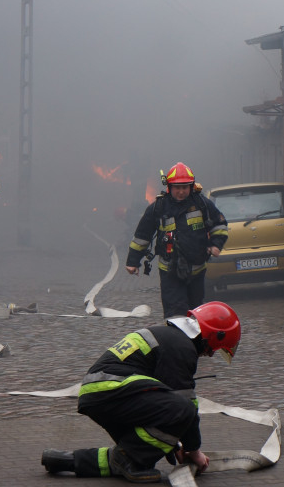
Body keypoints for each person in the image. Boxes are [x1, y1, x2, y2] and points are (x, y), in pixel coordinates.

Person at [42, 301, 241, 483]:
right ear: (214, 335)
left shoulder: (170, 337)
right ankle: (129, 459)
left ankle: (64, 460)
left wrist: (175, 445)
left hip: (101, 392)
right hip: (112, 390)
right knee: (183, 409)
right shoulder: (181, 346)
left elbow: (162, 403)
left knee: (132, 452)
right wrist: (194, 450)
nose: (211, 353)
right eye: (215, 348)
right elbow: (184, 404)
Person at [125, 162, 229, 319]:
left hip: (197, 272)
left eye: (185, 187)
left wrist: (216, 244)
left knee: (196, 314)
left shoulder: (202, 204)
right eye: (177, 188)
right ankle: (177, 341)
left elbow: (219, 225)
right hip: (170, 273)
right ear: (169, 187)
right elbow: (142, 236)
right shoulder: (158, 208)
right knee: (175, 313)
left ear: (191, 186)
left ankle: (194, 342)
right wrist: (133, 261)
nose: (181, 192)